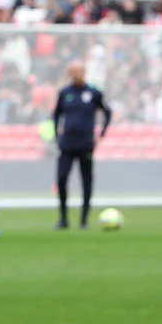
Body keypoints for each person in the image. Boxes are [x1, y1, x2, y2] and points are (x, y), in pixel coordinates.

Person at [52, 62, 111, 230]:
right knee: (62, 179)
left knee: (86, 181)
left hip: (86, 144)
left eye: (78, 71)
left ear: (84, 72)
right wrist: (58, 135)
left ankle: (84, 220)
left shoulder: (93, 93)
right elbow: (56, 115)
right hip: (67, 144)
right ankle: (63, 219)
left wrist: (101, 135)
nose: (76, 74)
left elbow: (107, 112)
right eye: (72, 71)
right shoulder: (65, 93)